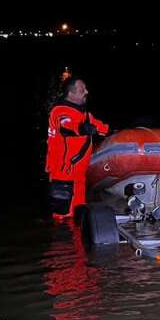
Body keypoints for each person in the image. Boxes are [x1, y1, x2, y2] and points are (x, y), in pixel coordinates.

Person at [46, 76, 110, 221]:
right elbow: (67, 125)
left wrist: (120, 132)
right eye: (82, 90)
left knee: (78, 216)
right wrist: (81, 128)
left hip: (78, 178)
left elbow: (101, 128)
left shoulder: (84, 114)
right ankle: (62, 242)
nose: (86, 92)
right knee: (62, 218)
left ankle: (76, 240)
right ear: (71, 94)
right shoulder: (59, 111)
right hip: (64, 175)